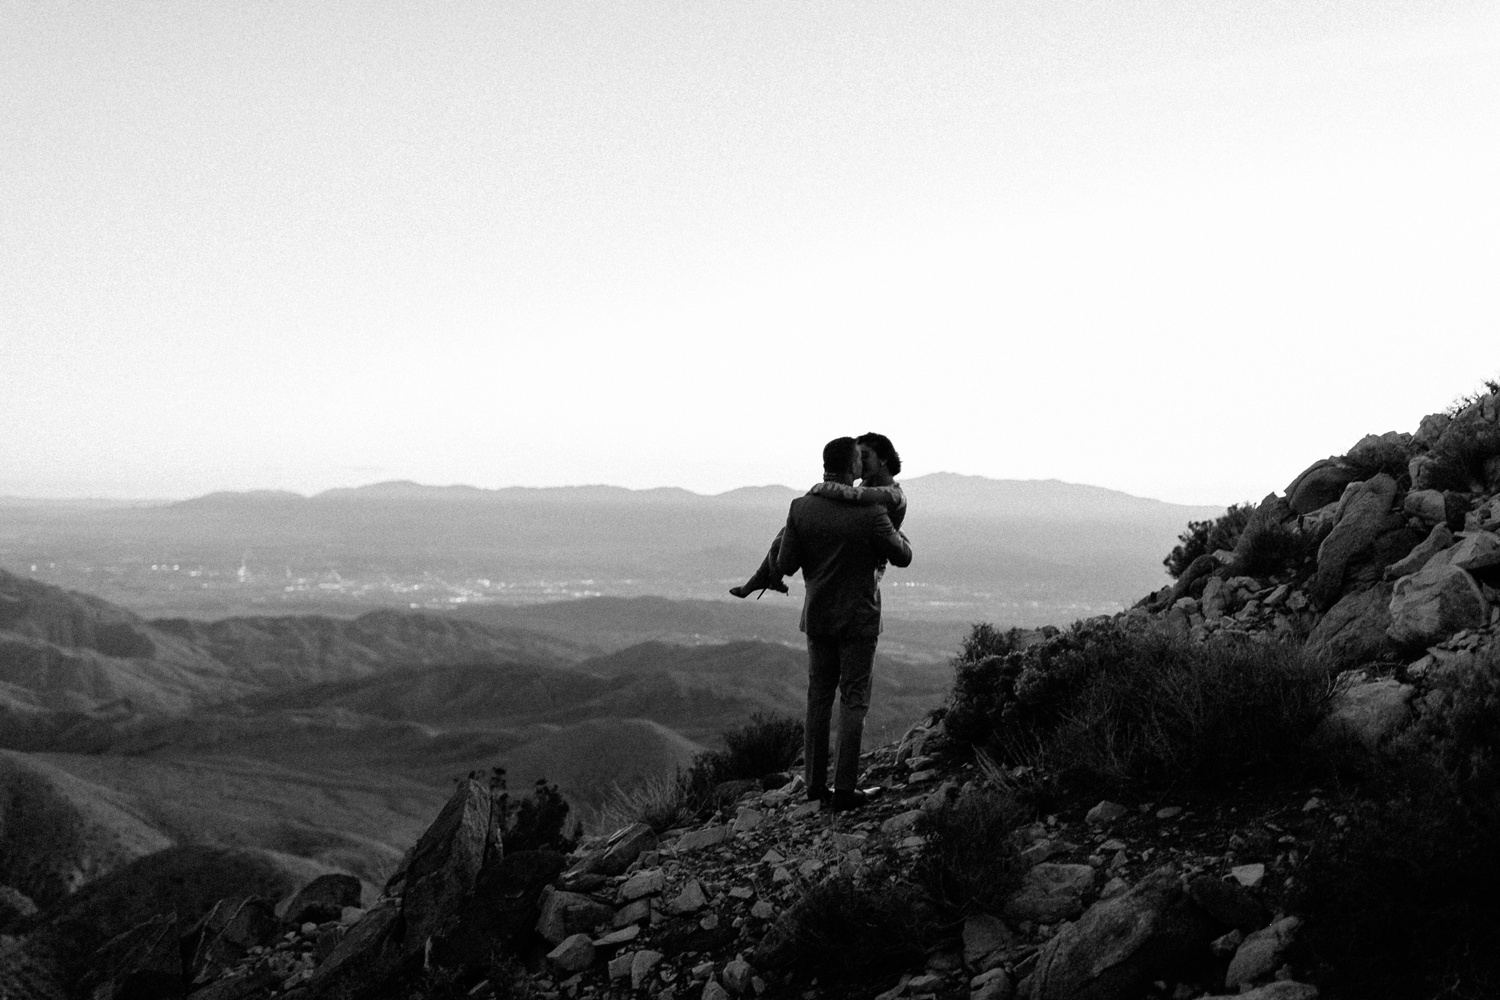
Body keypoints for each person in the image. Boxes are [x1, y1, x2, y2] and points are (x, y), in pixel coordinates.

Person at [774, 436, 912, 812]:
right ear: (852, 467)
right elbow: (902, 557)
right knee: (853, 701)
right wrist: (899, 537)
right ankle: (846, 789)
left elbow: (785, 564)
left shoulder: (801, 507)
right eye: (858, 461)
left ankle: (815, 785)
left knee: (818, 697)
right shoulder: (872, 513)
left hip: (818, 616)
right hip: (859, 619)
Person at [729, 432, 905, 598]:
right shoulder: (868, 486)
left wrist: (818, 489)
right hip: (849, 555)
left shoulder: (893, 495)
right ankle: (764, 576)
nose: (861, 462)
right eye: (859, 458)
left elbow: (850, 495)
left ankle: (765, 577)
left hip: (864, 568)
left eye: (865, 456)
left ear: (883, 459)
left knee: (795, 524)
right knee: (790, 529)